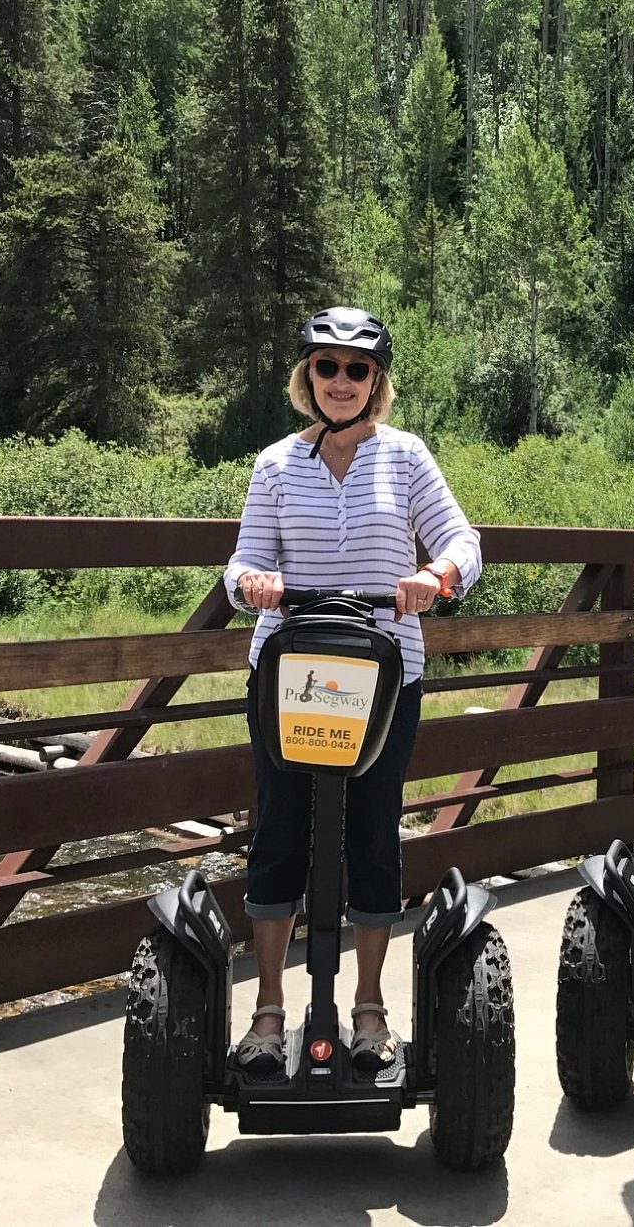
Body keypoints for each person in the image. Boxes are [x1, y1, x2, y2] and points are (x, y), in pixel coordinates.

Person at [223, 307, 483, 1071]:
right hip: (288, 672)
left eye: (356, 369)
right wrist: (254, 584)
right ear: (308, 377)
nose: (340, 381)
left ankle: (368, 1009)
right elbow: (238, 565)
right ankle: (269, 1010)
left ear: (377, 380)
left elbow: (465, 543)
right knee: (279, 832)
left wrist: (435, 577)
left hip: (385, 673)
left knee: (373, 832)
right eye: (326, 367)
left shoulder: (406, 458)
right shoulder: (274, 463)